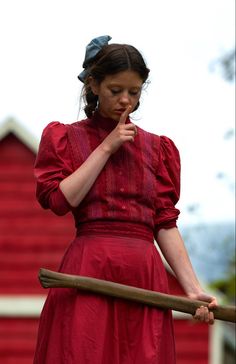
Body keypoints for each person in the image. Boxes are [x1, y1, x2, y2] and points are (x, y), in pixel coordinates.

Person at [33, 35, 218, 364]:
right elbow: (61, 200)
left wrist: (192, 290)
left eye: (134, 92)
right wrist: (106, 147)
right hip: (89, 267)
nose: (125, 101)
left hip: (144, 275)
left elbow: (164, 222)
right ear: (93, 84)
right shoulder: (65, 136)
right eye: (115, 90)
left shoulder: (157, 148)